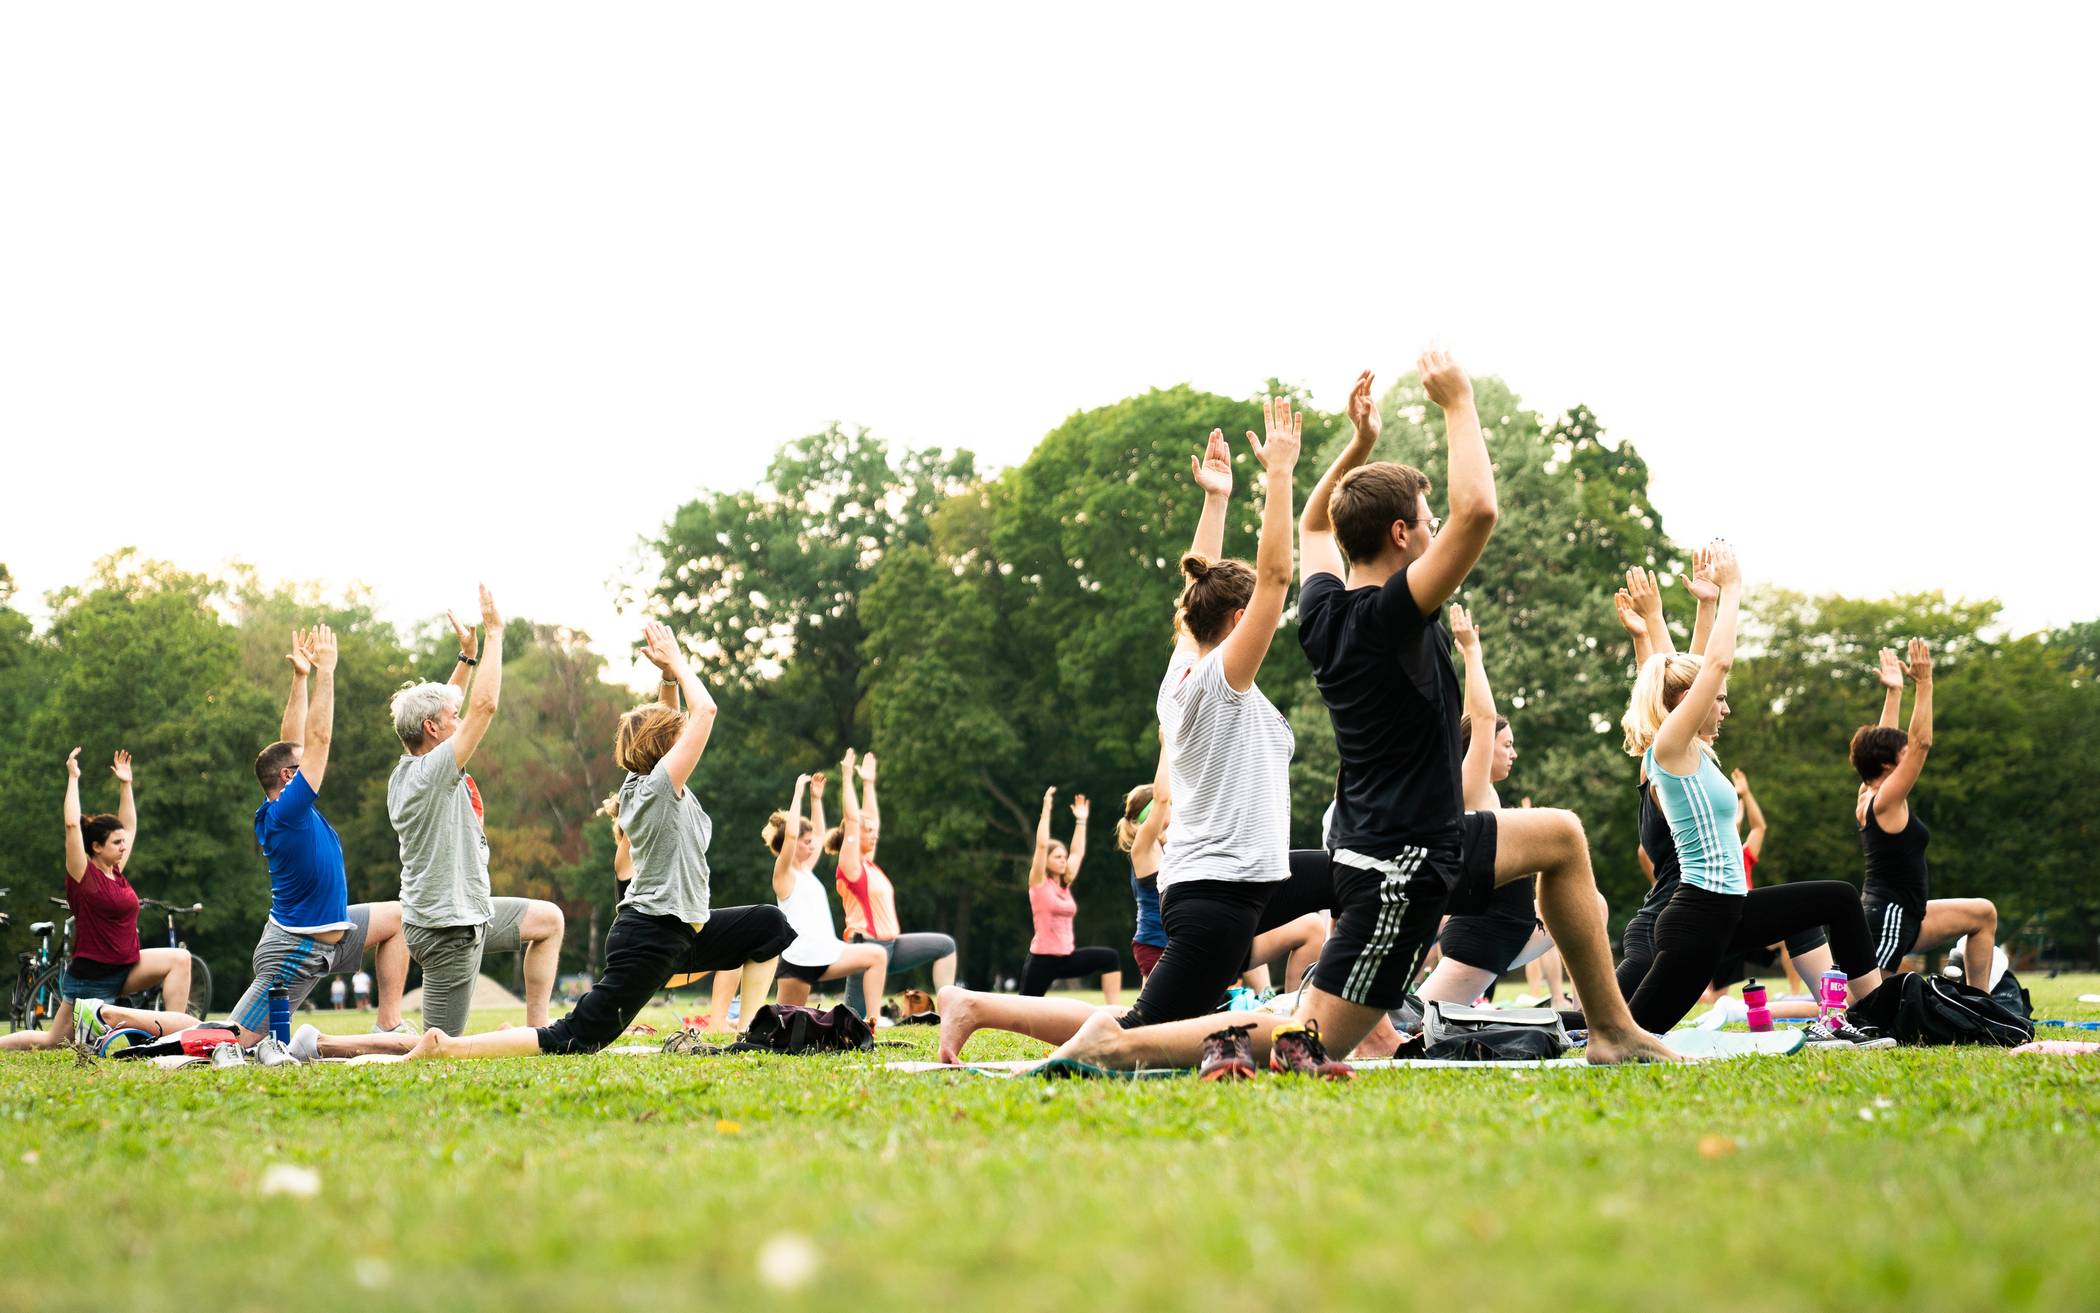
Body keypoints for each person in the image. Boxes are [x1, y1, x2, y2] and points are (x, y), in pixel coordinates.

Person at [935, 413, 1331, 1069]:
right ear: (1238, 622)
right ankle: (977, 1005)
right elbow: (1276, 578)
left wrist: (1217, 499)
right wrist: (1281, 476)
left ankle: (1360, 1011)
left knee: (1370, 875)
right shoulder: (1220, 679)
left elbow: (1194, 587)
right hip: (1218, 892)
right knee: (1145, 1030)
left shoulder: (1184, 666)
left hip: (1245, 877)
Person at [404, 622, 790, 1060]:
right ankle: (449, 1046)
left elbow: (672, 720)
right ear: (668, 749)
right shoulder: (660, 787)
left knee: (767, 925)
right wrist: (680, 661)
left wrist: (666, 678)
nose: (686, 737)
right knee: (575, 1038)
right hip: (652, 936)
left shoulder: (649, 781)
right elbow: (706, 713)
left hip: (683, 928)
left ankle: (751, 1033)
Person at [1617, 542, 1891, 1044]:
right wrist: (1732, 589)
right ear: (1685, 707)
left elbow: (1693, 670)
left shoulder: (1698, 752)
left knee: (1837, 899)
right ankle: (1491, 1029)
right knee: (1623, 1036)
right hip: (1694, 919)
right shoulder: (1669, 749)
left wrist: (1703, 607)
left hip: (1729, 911)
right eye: (1716, 702)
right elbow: (1709, 669)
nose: (1723, 708)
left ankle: (1876, 1013)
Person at [387, 587, 565, 1036]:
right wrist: (495, 633)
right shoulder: (431, 774)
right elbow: (484, 707)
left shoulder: (412, 765)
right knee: (437, 1046)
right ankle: (327, 1044)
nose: (461, 720)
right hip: (450, 930)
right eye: (453, 718)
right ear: (432, 729)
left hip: (472, 912)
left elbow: (452, 702)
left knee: (548, 920)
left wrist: (467, 659)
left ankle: (536, 1033)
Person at [1415, 606, 1575, 1011]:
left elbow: (1474, 719)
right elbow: (1481, 718)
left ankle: (1579, 1006)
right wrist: (1471, 651)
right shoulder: (1472, 785)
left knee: (1588, 903)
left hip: (1515, 928)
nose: (1513, 753)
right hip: (1483, 938)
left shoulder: (1481, 788)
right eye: (1508, 745)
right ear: (1481, 752)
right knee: (1416, 1022)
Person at [2, 749, 197, 1052]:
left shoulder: (115, 871)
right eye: (116, 843)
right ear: (95, 846)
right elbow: (70, 826)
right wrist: (73, 777)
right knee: (54, 1041)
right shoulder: (83, 875)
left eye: (123, 843)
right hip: (92, 979)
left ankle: (173, 1035)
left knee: (180, 959)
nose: (124, 846)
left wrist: (126, 784)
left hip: (127, 967)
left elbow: (130, 826)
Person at [1853, 639, 1997, 984]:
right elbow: (1921, 742)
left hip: (1910, 914)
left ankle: (1982, 1008)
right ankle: (1742, 1011)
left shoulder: (1870, 790)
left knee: (1983, 913)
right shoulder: (1884, 801)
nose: (1910, 755)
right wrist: (1925, 682)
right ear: (1889, 765)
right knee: (1858, 1006)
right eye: (1903, 754)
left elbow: (1884, 740)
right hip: (1887, 917)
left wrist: (1894, 692)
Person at [832, 752, 958, 1017]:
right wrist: (846, 778)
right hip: (866, 949)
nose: (874, 833)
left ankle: (950, 1010)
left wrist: (868, 784)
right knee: (852, 1020)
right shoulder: (851, 867)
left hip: (892, 947)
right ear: (853, 836)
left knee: (945, 945)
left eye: (874, 831)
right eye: (867, 831)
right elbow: (855, 820)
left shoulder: (870, 865)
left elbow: (871, 820)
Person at [768, 757, 888, 1019]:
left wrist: (816, 799)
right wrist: (798, 794)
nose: (813, 846)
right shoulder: (783, 875)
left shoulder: (806, 871)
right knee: (785, 1028)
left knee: (877, 956)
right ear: (792, 844)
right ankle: (741, 1023)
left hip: (828, 953)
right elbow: (790, 835)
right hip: (798, 963)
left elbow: (820, 834)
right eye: (806, 841)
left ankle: (873, 1022)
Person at [1019, 788, 1122, 1001]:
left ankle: (1116, 1013)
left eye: (1063, 857)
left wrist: (1081, 821)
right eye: (1057, 856)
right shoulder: (1038, 883)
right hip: (1042, 960)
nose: (1063, 860)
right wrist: (1046, 810)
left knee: (1110, 958)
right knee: (1024, 1014)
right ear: (1045, 860)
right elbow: (1040, 845)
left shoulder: (1065, 883)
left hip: (1067, 958)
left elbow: (1077, 853)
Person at [1117, 773, 1168, 983]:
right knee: (1155, 1014)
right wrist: (1167, 747)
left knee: (1147, 1013)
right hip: (1156, 944)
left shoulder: (1160, 845)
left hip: (1161, 942)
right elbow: (1163, 796)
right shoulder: (1144, 846)